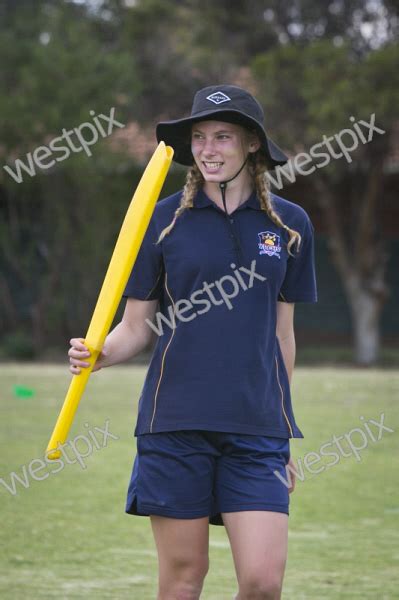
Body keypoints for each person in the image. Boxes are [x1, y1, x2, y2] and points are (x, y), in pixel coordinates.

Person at [68, 84, 317, 600]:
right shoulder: (162, 220)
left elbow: (283, 336)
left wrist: (282, 425)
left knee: (263, 583)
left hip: (255, 430)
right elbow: (136, 325)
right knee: (183, 582)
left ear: (252, 143)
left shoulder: (290, 226)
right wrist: (100, 354)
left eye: (222, 136)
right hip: (174, 422)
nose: (208, 148)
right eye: (199, 137)